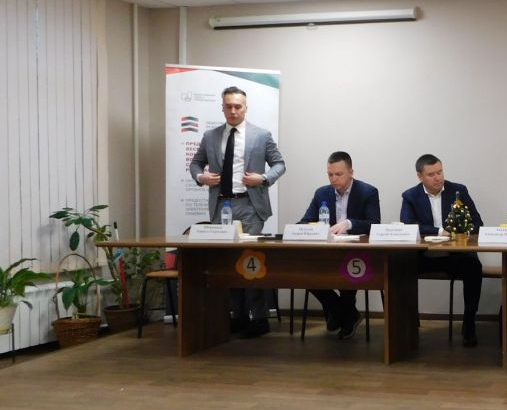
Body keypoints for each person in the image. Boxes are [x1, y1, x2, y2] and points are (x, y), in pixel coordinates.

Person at [189, 85, 285, 337]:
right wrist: (201, 177)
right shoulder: (211, 136)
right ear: (222, 108)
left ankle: (260, 318)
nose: (233, 111)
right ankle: (238, 316)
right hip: (221, 205)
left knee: (251, 262)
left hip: (250, 205)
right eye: (228, 106)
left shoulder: (261, 135)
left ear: (245, 108)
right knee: (228, 263)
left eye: (237, 106)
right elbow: (196, 163)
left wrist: (263, 178)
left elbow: (279, 164)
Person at [400, 154, 484, 346]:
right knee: (398, 268)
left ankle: (469, 322)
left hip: (454, 256)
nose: (437, 178)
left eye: (440, 172)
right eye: (431, 174)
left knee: (474, 267)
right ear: (420, 176)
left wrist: (462, 230)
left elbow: (477, 223)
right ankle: (405, 325)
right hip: (423, 257)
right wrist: (440, 231)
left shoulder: (458, 191)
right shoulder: (410, 196)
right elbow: (408, 225)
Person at [298, 151, 381, 340]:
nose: (334, 179)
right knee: (304, 270)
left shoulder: (368, 192)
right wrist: (306, 228)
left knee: (349, 267)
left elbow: (374, 223)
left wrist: (350, 224)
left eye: (339, 174)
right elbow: (306, 220)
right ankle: (341, 310)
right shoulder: (322, 193)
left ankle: (341, 314)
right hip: (327, 251)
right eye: (330, 174)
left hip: (356, 252)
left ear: (351, 172)